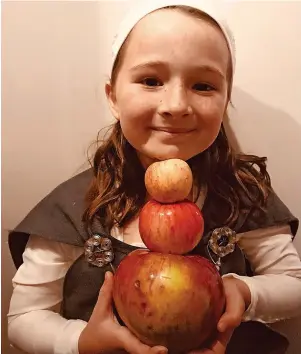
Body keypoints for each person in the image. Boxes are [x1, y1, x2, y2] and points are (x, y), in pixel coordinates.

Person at [7, 1, 301, 354]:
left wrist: (244, 291)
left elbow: (294, 284)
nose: (176, 104)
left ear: (225, 101)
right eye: (150, 80)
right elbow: (24, 318)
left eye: (204, 86)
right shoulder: (75, 207)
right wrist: (82, 341)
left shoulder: (242, 195)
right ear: (113, 96)